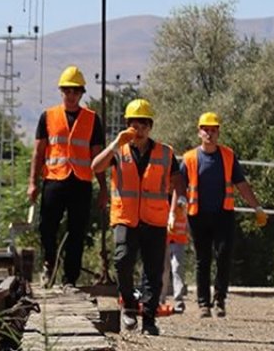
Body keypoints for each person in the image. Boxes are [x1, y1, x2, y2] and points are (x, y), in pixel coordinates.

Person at [92, 99, 184, 335]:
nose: (139, 128)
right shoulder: (119, 151)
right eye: (135, 123)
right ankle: (129, 305)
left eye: (144, 124)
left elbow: (177, 181)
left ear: (150, 126)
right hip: (125, 217)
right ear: (127, 125)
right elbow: (96, 167)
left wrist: (178, 204)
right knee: (122, 259)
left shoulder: (165, 152)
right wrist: (114, 143)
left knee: (153, 271)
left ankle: (150, 318)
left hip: (155, 219)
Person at [28, 66, 108, 288]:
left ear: (81, 93)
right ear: (61, 92)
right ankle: (50, 263)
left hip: (81, 182)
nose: (71, 95)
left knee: (77, 231)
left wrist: (103, 189)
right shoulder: (48, 117)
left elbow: (98, 156)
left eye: (75, 91)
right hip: (54, 180)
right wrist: (32, 182)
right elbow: (39, 151)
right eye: (67, 91)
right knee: (47, 228)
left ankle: (69, 278)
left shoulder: (93, 120)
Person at [183, 111, 267, 318]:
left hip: (223, 214)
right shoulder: (189, 158)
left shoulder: (228, 156)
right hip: (198, 215)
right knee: (203, 260)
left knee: (223, 255)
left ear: (218, 132)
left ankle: (219, 300)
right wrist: (172, 212)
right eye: (206, 130)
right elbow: (178, 186)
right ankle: (203, 303)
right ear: (199, 132)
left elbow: (242, 185)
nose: (209, 134)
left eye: (213, 130)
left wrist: (257, 207)